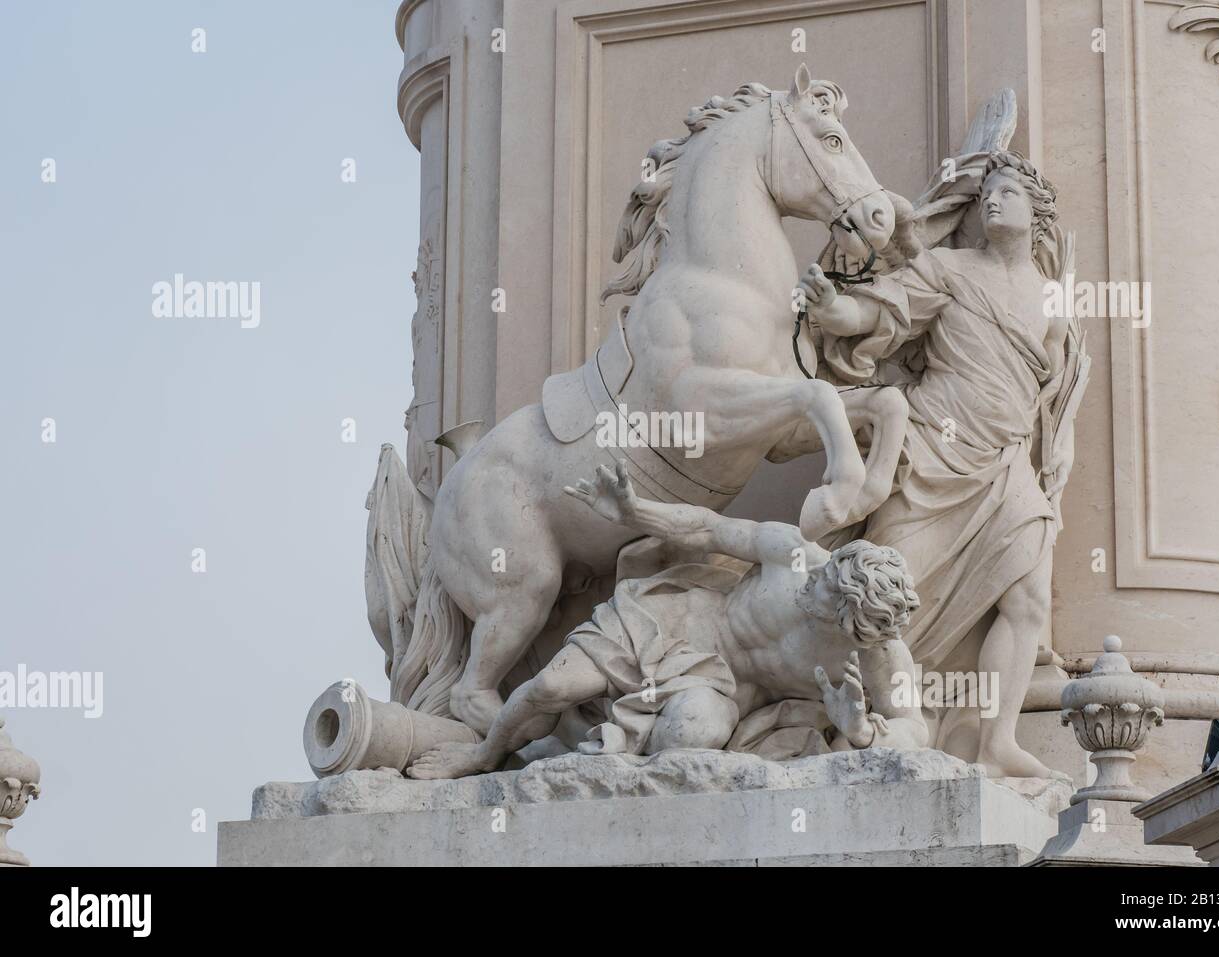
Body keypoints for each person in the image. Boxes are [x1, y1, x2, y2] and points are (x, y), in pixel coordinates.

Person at [796, 150, 1076, 778]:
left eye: (1007, 192)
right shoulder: (948, 268)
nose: (992, 201)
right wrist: (833, 310)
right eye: (985, 194)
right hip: (932, 452)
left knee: (1028, 597)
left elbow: (1046, 394)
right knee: (892, 596)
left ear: (1037, 213)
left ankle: (998, 739)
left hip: (1006, 464)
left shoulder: (1052, 300)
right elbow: (882, 313)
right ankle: (854, 717)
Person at [407, 461, 924, 780]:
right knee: (550, 687)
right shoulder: (796, 557)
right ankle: (483, 753)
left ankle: (575, 753)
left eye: (826, 592)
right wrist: (635, 513)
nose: (814, 580)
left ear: (849, 621)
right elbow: (708, 528)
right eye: (827, 572)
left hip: (723, 690)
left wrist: (862, 732)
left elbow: (915, 731)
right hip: (677, 621)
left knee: (688, 736)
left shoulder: (877, 656)